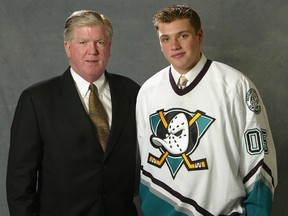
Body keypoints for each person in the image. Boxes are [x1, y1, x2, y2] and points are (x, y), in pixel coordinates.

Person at [136, 5, 277, 216]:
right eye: (166, 39)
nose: (174, 46)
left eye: (182, 35)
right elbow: (145, 162)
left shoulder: (235, 86)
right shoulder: (148, 90)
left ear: (199, 35)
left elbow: (261, 162)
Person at [7, 10, 139, 216]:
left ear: (109, 47)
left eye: (100, 42)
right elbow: (20, 179)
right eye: (83, 42)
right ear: (68, 48)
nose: (92, 51)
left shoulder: (132, 92)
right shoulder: (37, 99)